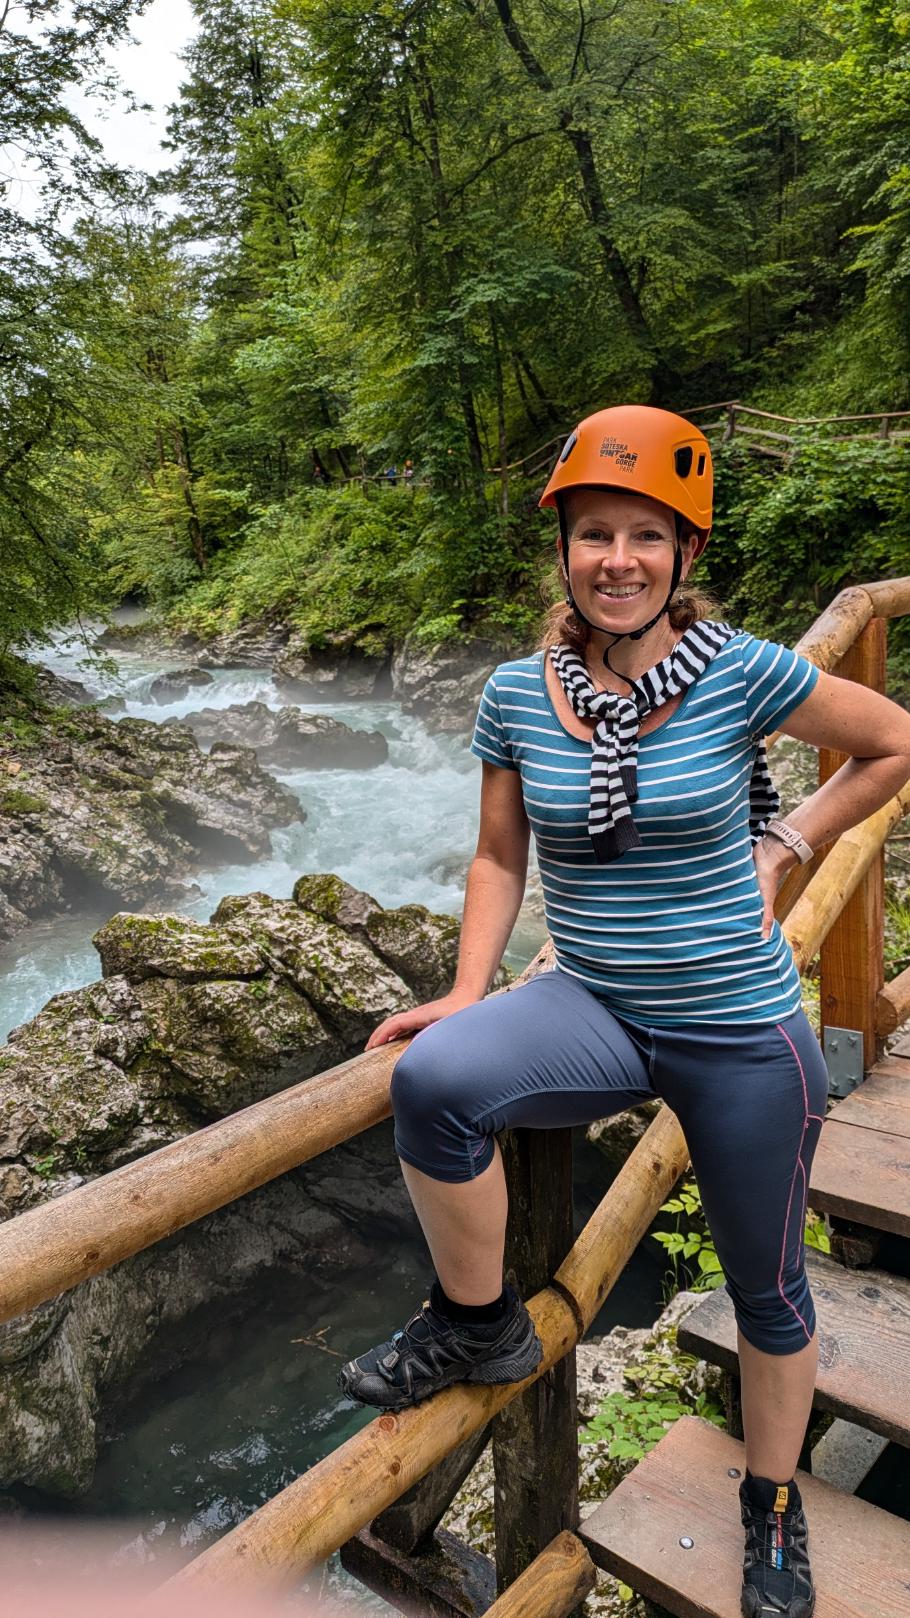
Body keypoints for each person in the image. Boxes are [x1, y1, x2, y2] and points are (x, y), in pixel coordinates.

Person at [338, 404, 910, 1617]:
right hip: (594, 1000)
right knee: (432, 1084)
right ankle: (477, 1319)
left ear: (683, 556)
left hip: (741, 1030)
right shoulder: (513, 693)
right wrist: (465, 988)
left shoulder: (740, 671)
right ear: (562, 550)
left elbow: (891, 740)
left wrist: (787, 845)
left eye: (644, 536)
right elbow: (498, 858)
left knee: (769, 1291)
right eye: (593, 532)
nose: (617, 558)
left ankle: (771, 1505)